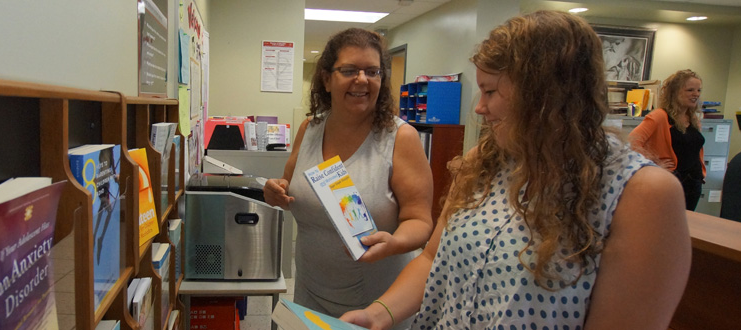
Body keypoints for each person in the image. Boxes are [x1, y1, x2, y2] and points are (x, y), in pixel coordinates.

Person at [340, 11, 690, 329]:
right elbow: (433, 258)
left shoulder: (639, 193)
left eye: (491, 91)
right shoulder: (485, 162)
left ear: (546, 96)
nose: (479, 108)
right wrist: (378, 313)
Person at [262, 28, 433, 328]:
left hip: (377, 306)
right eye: (350, 70)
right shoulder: (309, 130)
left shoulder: (400, 138)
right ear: (327, 79)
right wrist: (275, 190)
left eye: (372, 71)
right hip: (310, 296)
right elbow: (289, 189)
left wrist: (393, 242)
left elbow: (420, 221)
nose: (362, 80)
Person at [629, 69, 706, 211]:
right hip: (672, 181)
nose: (696, 94)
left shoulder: (693, 119)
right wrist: (653, 163)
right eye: (690, 90)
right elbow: (632, 142)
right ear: (675, 92)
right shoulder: (660, 116)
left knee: (689, 225)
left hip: (693, 182)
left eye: (698, 90)